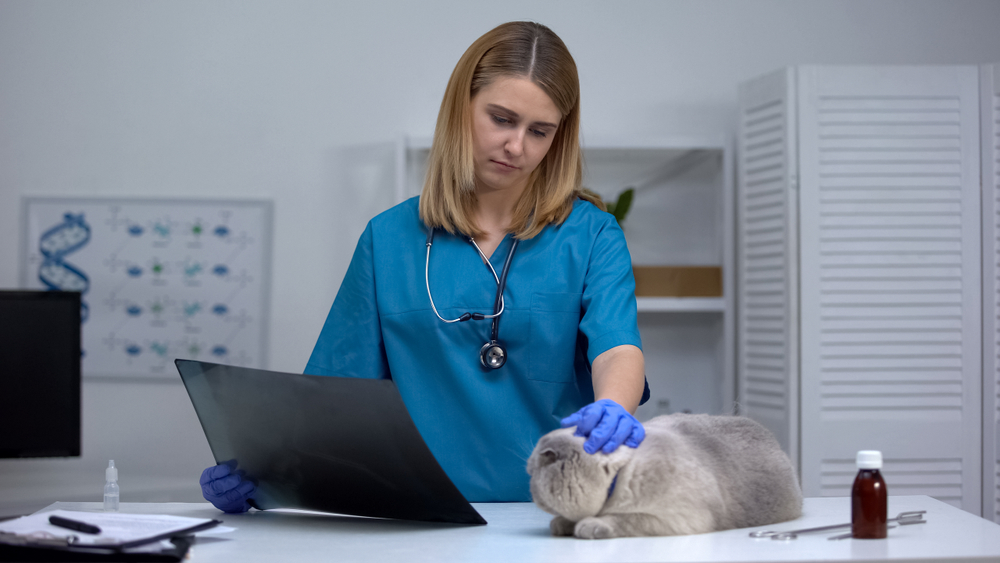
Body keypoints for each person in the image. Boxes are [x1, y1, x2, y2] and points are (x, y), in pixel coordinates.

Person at [200, 20, 649, 513]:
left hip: (551, 512)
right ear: (462, 107)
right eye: (501, 119)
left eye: (539, 131)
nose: (517, 147)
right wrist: (267, 474)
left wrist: (612, 407)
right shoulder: (388, 239)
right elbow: (336, 399)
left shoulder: (591, 235)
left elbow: (617, 347)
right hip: (422, 515)